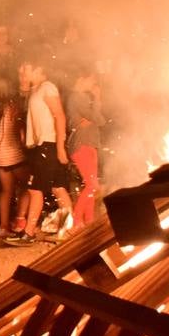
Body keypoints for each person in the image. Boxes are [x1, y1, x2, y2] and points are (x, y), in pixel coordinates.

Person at [6, 60, 72, 247]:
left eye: (26, 68)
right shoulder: (35, 91)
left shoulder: (47, 87)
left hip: (48, 145)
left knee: (35, 189)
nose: (22, 71)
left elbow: (59, 116)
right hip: (42, 145)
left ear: (39, 69)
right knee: (58, 187)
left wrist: (60, 146)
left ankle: (28, 233)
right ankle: (66, 230)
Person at [65, 69, 106, 229]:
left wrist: (93, 118)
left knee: (91, 184)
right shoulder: (77, 97)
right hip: (82, 144)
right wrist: (97, 99)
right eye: (91, 80)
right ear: (81, 78)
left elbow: (96, 119)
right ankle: (76, 221)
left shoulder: (79, 97)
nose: (93, 84)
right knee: (91, 185)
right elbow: (99, 119)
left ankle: (88, 220)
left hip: (88, 143)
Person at [0, 75, 29, 240]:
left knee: (6, 191)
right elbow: (20, 130)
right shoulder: (13, 106)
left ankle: (3, 227)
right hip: (13, 152)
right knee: (28, 187)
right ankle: (20, 220)